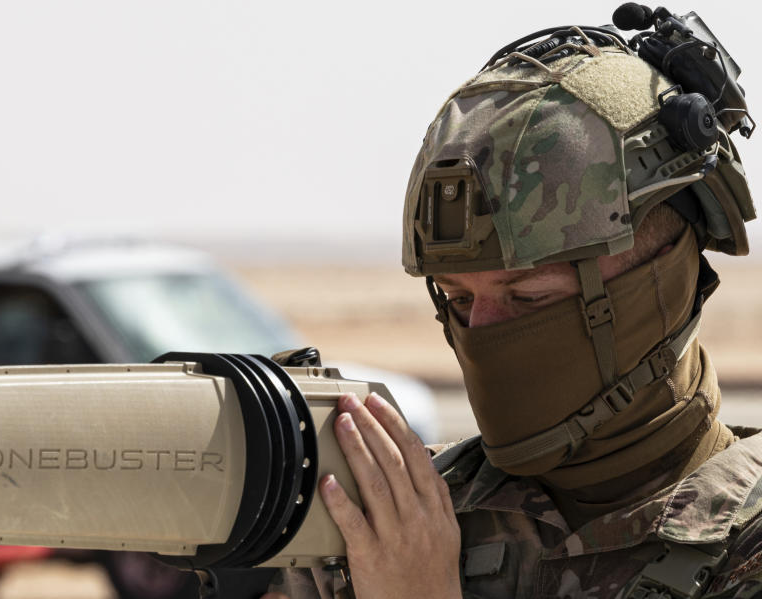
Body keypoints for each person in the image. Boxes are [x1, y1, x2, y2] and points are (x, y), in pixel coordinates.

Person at [263, 9, 762, 599]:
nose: (481, 330)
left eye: (529, 295)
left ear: (659, 285)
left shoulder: (742, 544)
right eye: (457, 298)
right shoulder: (406, 510)